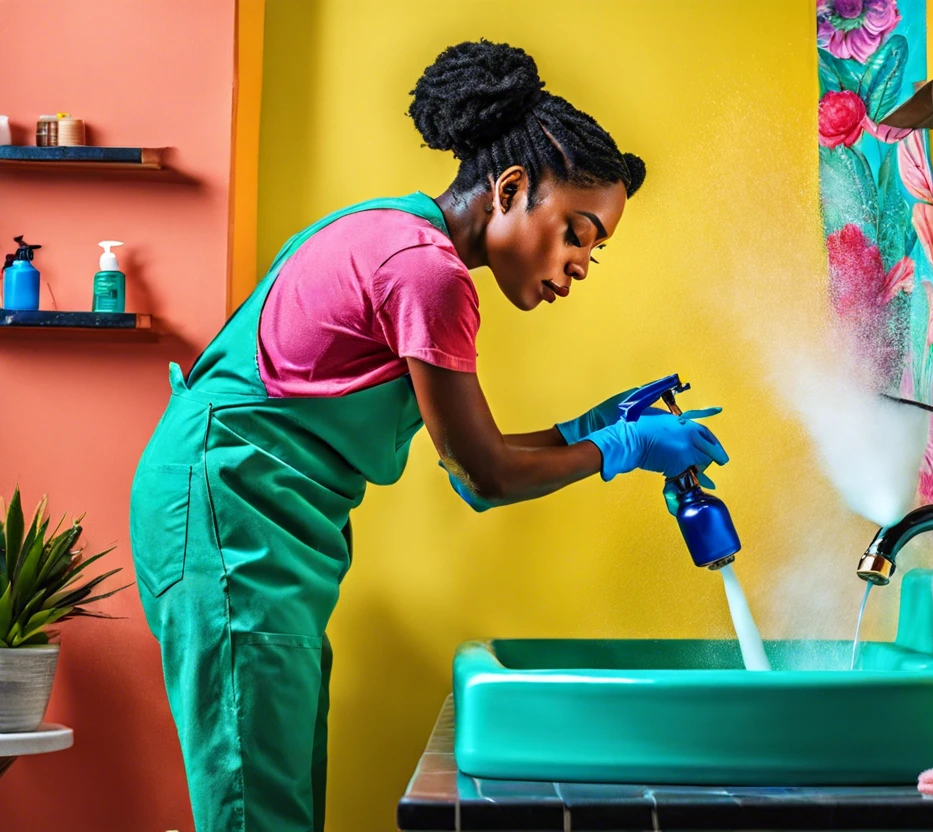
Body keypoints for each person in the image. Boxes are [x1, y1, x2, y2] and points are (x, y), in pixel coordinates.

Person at [129, 39, 728, 832]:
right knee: (255, 801)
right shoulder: (426, 273)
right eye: (578, 232)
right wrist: (625, 450)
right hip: (228, 513)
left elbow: (469, 460)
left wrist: (593, 429)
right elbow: (485, 477)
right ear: (512, 189)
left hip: (255, 517)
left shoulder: (399, 235)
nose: (584, 263)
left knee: (276, 781)